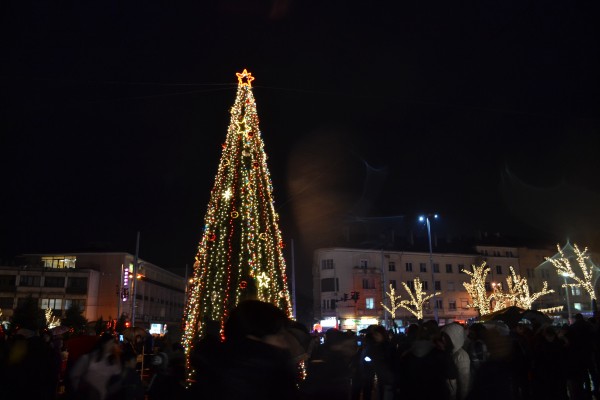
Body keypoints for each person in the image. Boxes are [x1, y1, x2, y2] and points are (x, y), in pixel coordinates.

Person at [216, 300, 299, 400]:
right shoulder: (265, 380)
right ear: (254, 339)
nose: (285, 345)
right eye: (280, 337)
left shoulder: (217, 375)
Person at [68, 332, 122, 400]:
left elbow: (118, 375)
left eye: (113, 344)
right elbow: (74, 375)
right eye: (110, 343)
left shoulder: (111, 361)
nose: (112, 346)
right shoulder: (88, 358)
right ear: (103, 344)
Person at [441, 323, 471, 400]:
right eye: (443, 336)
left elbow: (464, 382)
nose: (443, 339)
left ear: (454, 338)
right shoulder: (449, 352)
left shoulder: (461, 356)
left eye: (446, 337)